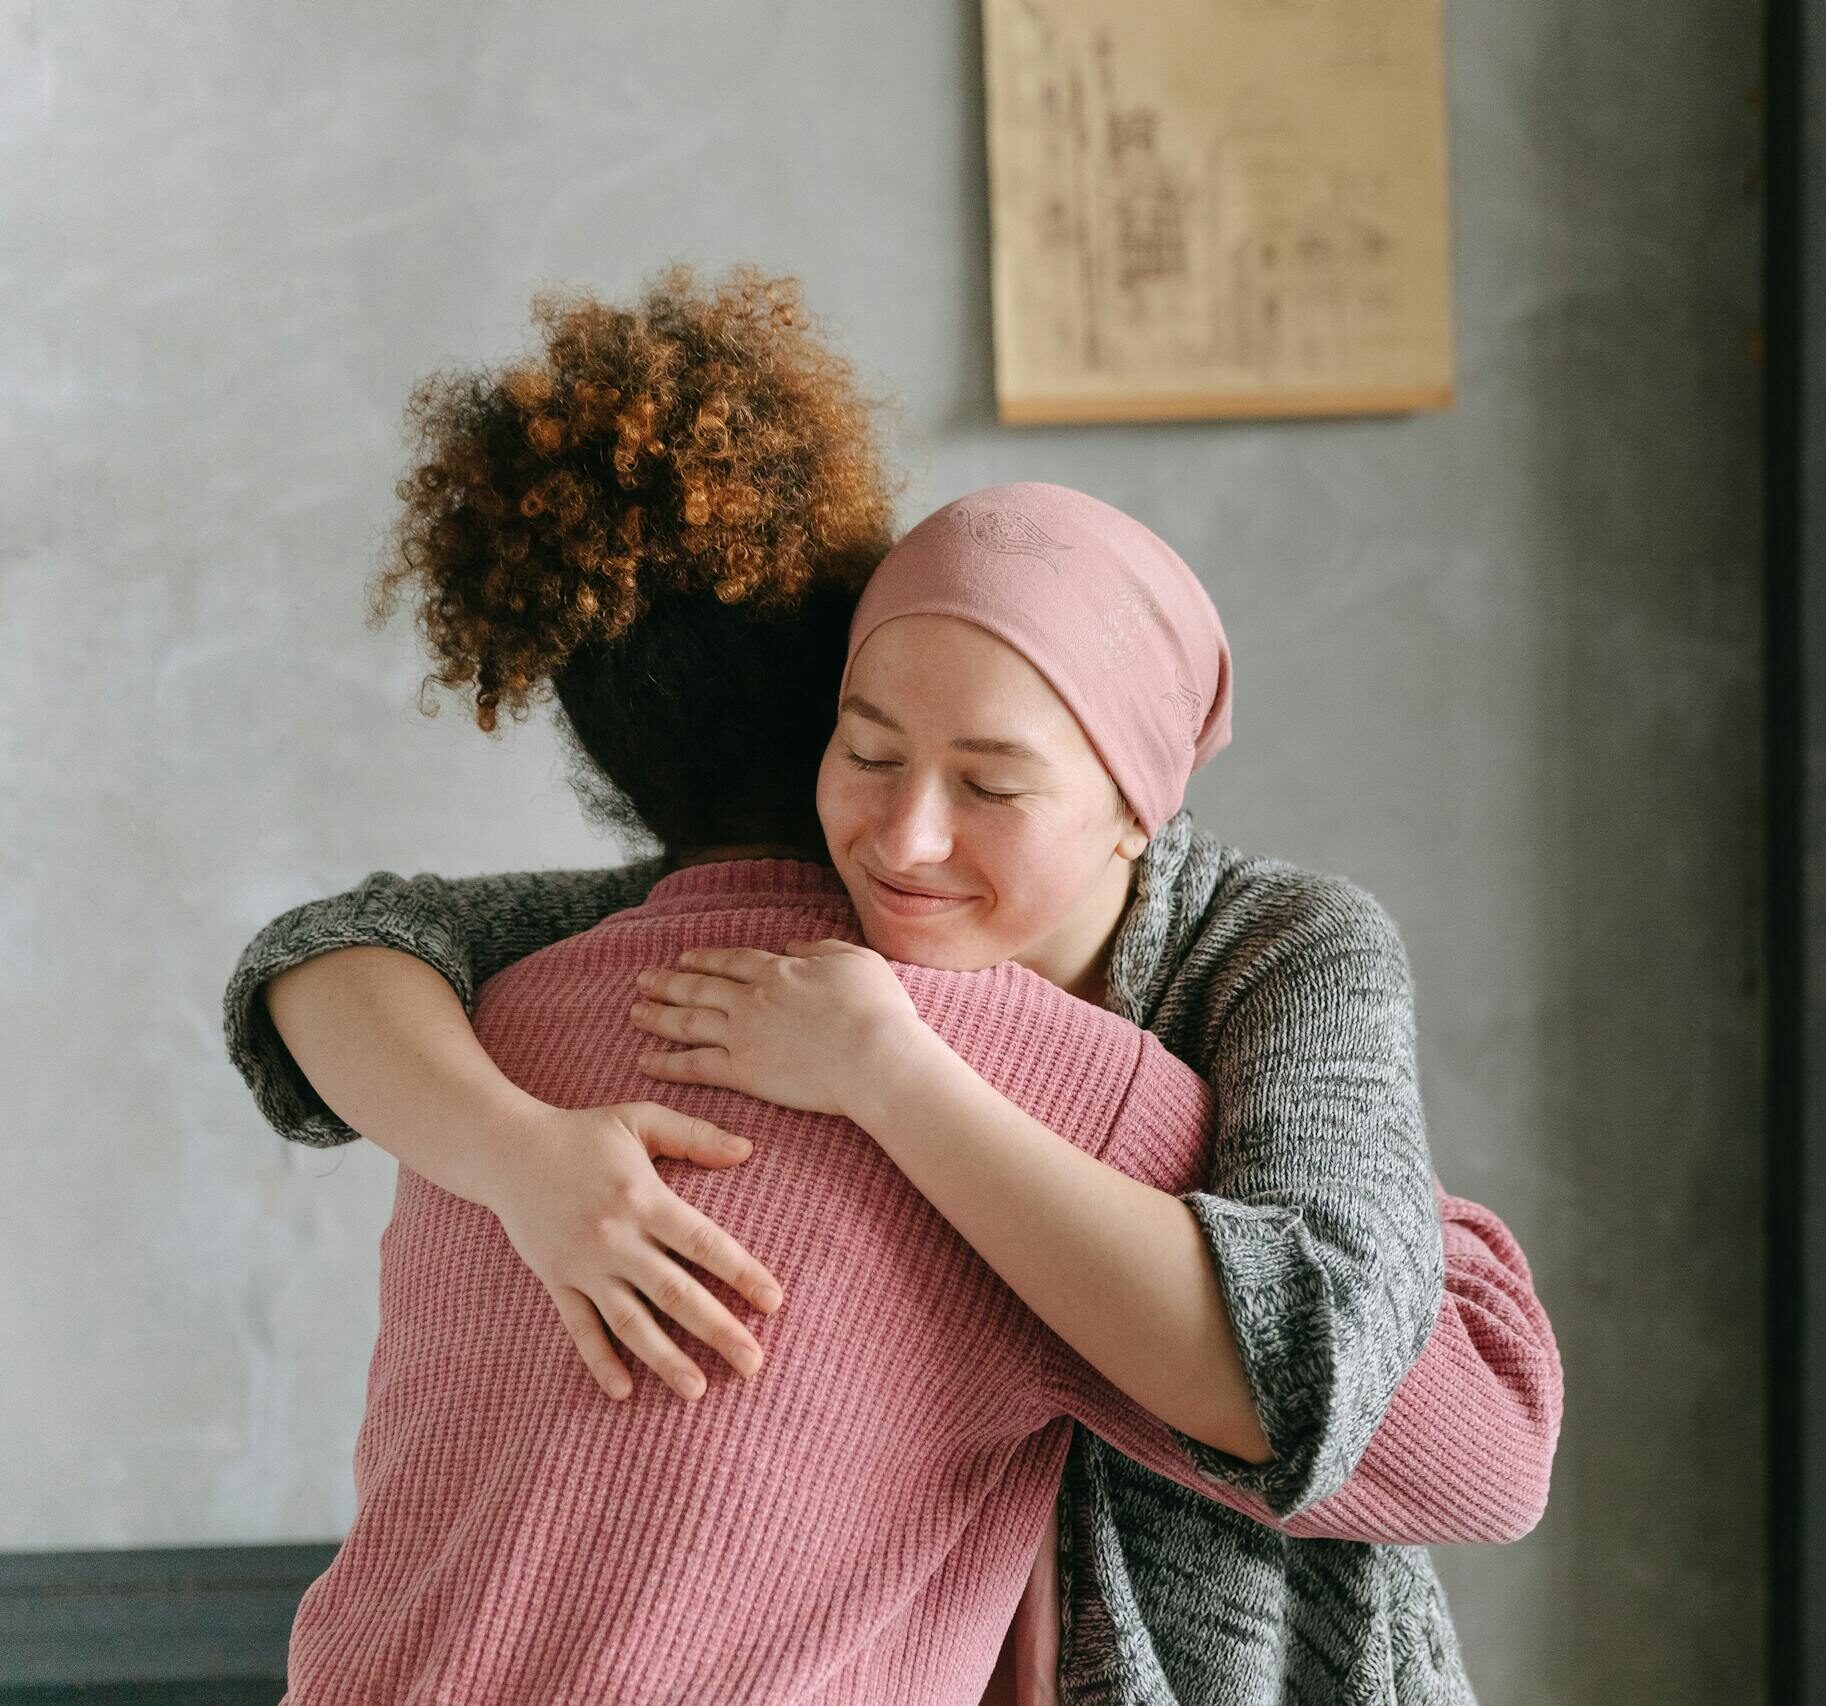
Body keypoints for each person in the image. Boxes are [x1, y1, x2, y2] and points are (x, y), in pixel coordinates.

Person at [225, 270, 1561, 1704]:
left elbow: (1390, 1398)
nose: (905, 836)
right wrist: (524, 1156)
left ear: (1135, 806)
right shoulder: (729, 953)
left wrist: (896, 1074)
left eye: (990, 783)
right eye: (865, 754)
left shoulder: (1270, 952)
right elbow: (341, 941)